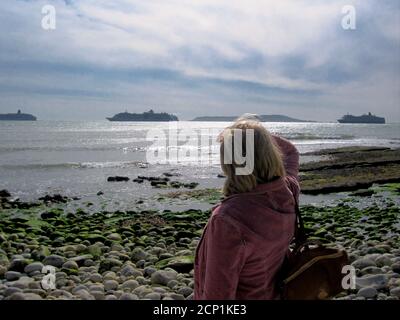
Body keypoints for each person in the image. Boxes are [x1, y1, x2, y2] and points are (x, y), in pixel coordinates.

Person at [194, 116, 300, 300]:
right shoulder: (288, 190)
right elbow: (291, 152)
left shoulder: (227, 220)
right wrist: (255, 137)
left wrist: (241, 136)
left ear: (229, 163)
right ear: (270, 152)